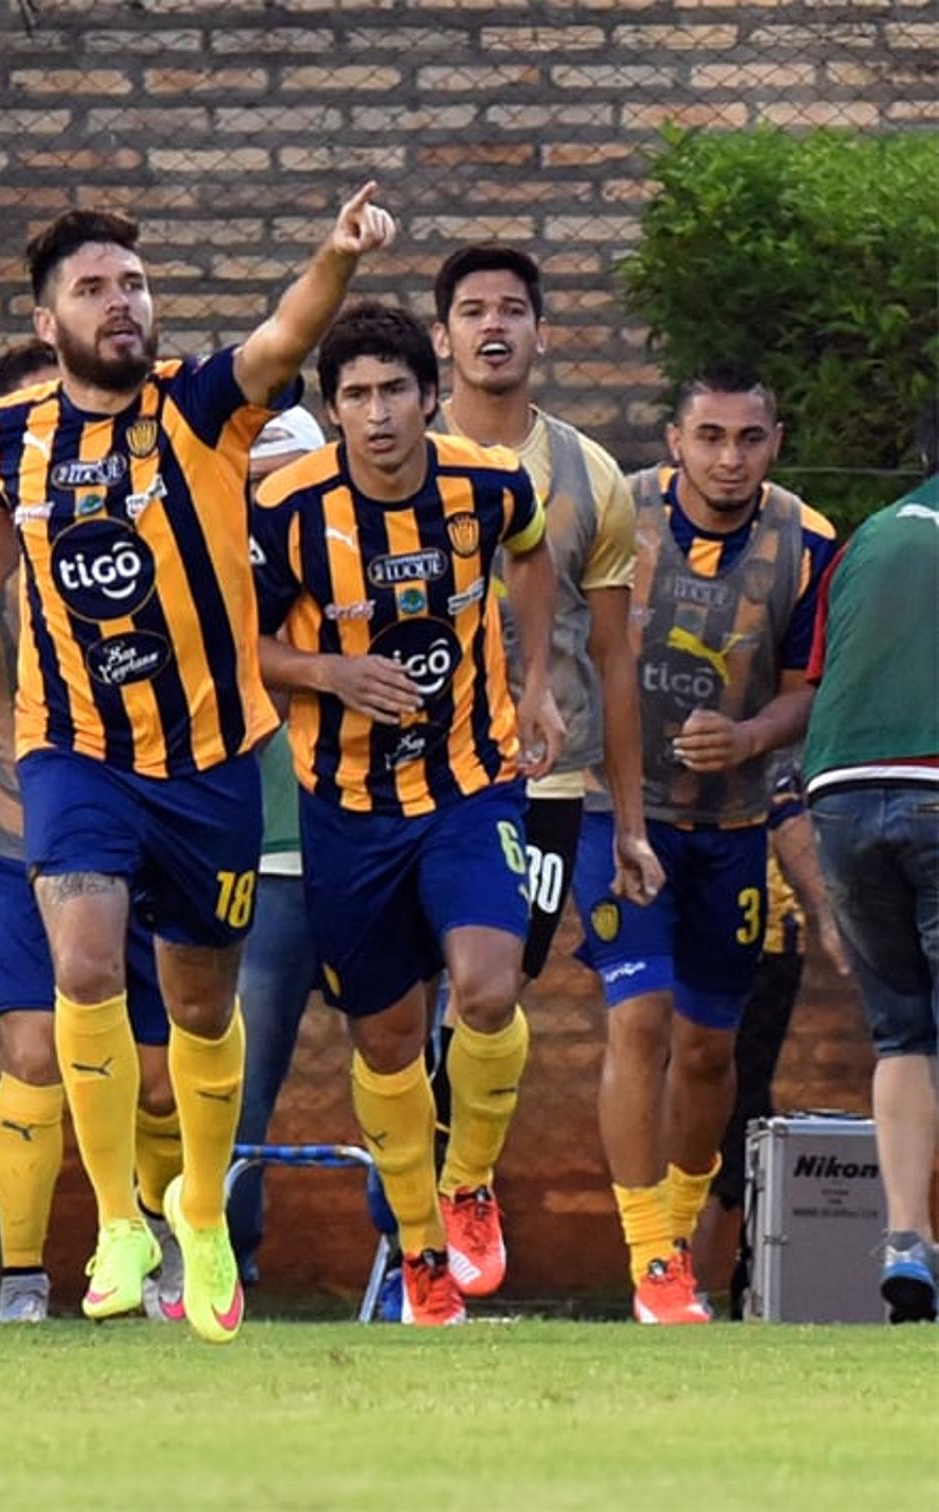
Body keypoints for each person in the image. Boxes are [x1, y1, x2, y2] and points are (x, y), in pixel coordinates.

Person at [0, 185, 397, 1344]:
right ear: (47, 322)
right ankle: (121, 1218)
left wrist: (333, 254)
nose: (122, 305)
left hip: (215, 758)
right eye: (94, 290)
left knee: (195, 1008)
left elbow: (286, 334)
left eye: (132, 285)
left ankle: (202, 1209)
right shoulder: (5, 439)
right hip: (74, 747)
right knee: (80, 965)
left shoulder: (202, 407)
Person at [252, 301, 564, 1326]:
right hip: (345, 809)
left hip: (472, 785)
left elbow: (531, 553)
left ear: (430, 399)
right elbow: (237, 648)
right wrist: (330, 671)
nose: (376, 414)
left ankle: (470, 1182)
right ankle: (422, 1250)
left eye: (393, 391)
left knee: (485, 988)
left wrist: (537, 682)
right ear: (332, 410)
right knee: (385, 1044)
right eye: (355, 397)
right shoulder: (290, 510)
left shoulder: (487, 482)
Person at [0, 340, 186, 1326]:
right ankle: (23, 1282)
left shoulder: (145, 525)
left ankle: (161, 1246)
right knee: (30, 1054)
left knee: (159, 1081)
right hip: (19, 839)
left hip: (145, 824)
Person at [423, 246, 664, 1296]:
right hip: (401, 780)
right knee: (396, 1013)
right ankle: (415, 1227)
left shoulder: (590, 474)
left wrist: (636, 821)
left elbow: (612, 659)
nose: (492, 328)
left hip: (539, 788)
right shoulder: (399, 450)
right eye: (472, 311)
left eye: (512, 311)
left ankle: (459, 1189)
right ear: (442, 337)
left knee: (492, 990)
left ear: (540, 333)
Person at [575, 364, 836, 1324]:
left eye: (749, 438)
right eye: (710, 437)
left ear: (774, 442)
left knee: (709, 1051)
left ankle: (680, 1239)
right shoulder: (615, 514)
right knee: (638, 1022)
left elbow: (811, 685)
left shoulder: (807, 542)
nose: (729, 457)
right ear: (675, 441)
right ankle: (651, 1258)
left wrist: (754, 736)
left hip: (735, 825)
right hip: (618, 808)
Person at [803, 453, 939, 1323]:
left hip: (840, 796)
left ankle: (907, 1244)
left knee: (902, 1033)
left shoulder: (870, 536)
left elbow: (826, 675)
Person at [690, 762, 849, 1312]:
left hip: (763, 943)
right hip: (686, 934)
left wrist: (827, 914)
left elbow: (788, 815)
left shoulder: (755, 733)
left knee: (739, 1112)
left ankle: (713, 1282)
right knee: (696, 1107)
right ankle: (684, 1276)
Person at [227, 405, 325, 1289]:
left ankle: (416, 1264)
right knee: (238, 1079)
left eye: (286, 476)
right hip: (264, 858)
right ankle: (223, 1261)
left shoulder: (347, 545)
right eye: (255, 478)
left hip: (378, 831)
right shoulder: (212, 555)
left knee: (408, 1058)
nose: (269, 497)